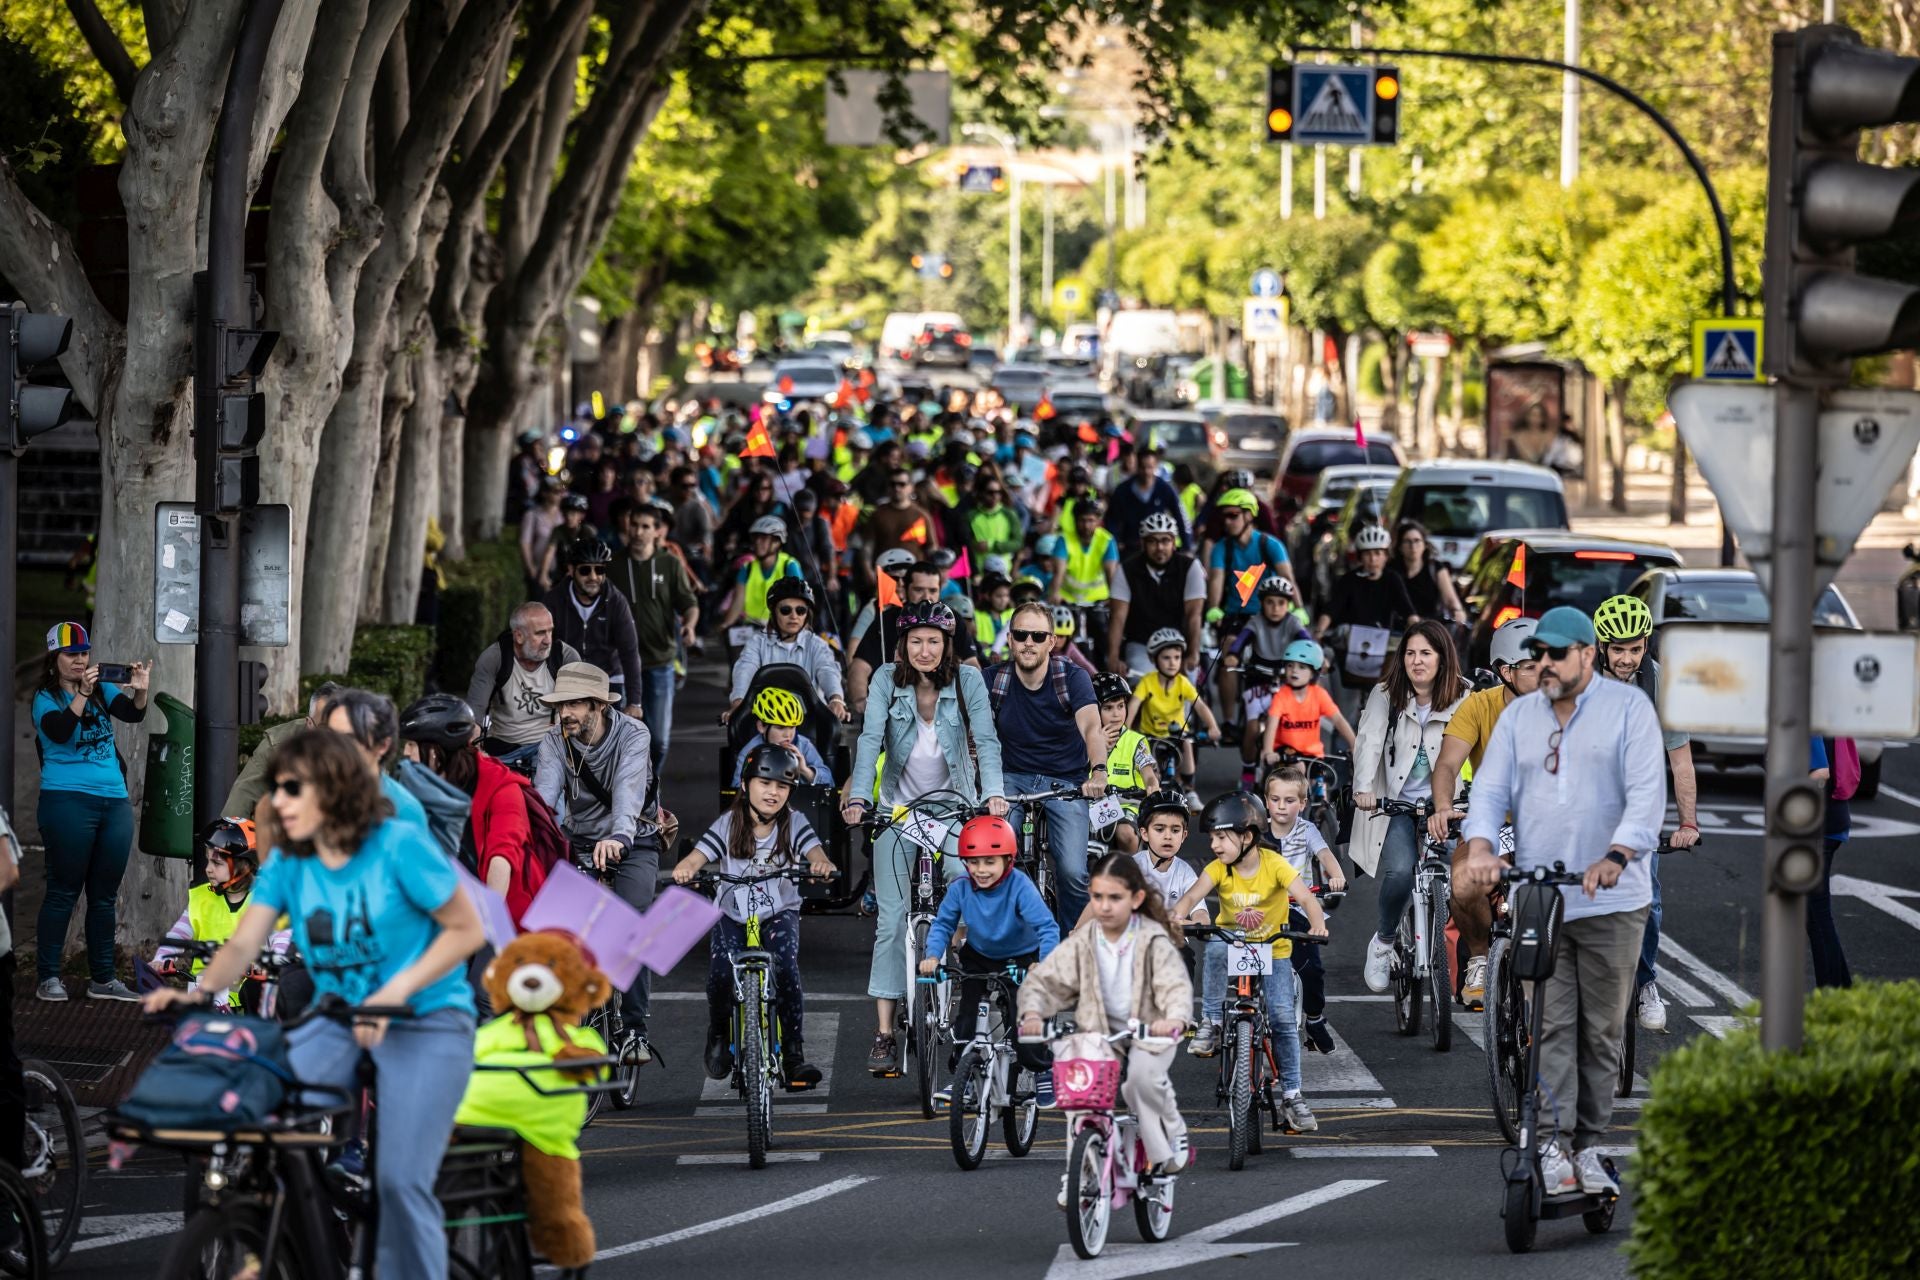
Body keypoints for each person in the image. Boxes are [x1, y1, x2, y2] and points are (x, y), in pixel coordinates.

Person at [145, 729, 484, 1280]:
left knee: (398, 1182)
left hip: (424, 1016)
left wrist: (393, 992)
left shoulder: (396, 845)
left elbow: (466, 929)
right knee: (265, 1107)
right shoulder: (286, 866)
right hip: (340, 1017)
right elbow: (242, 945)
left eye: (291, 791)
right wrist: (194, 991)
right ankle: (297, 1231)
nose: (276, 803)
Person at [1455, 606, 1665, 1198]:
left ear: (1587, 656)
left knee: (1600, 1035)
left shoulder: (1630, 712)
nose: (1544, 663)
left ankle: (1589, 1145)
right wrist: (1479, 847)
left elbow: (1648, 798)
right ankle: (1549, 1144)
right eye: (1538, 654)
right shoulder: (1521, 718)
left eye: (1557, 653)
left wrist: (1617, 856)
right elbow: (1490, 790)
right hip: (1540, 898)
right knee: (1548, 1026)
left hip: (1615, 901)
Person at [843, 600, 1008, 1076]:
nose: (924, 649)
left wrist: (992, 794)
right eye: (915, 641)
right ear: (902, 645)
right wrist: (859, 798)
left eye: (934, 641)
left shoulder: (969, 681)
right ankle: (885, 1033)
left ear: (948, 645)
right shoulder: (883, 681)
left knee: (964, 879)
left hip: (956, 806)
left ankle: (960, 979)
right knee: (892, 920)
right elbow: (870, 739)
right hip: (898, 809)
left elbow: (987, 740)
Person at [1020, 852, 1196, 1196]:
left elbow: (1174, 985)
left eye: (1114, 898)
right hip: (1101, 1031)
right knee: (1080, 1098)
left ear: (1136, 899)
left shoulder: (1152, 939)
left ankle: (1174, 1134)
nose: (1104, 906)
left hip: (1148, 1029)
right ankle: (1076, 1174)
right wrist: (1032, 1012)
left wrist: (1174, 1017)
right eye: (1097, 897)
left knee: (1142, 1082)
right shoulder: (1087, 938)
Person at [674, 744, 835, 1088]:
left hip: (778, 912)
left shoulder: (795, 823)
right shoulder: (729, 823)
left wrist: (821, 863)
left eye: (782, 786)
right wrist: (686, 868)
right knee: (720, 974)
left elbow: (815, 851)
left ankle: (793, 1053)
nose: (773, 792)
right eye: (764, 783)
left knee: (786, 966)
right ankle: (718, 1033)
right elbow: (699, 855)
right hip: (733, 912)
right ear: (745, 785)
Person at [1172, 792, 1327, 1133]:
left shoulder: (1275, 865)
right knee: (1212, 945)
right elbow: (1191, 897)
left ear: (1247, 836)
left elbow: (1304, 896)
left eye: (1221, 837)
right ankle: (1211, 1022)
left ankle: (1292, 1094)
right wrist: (1179, 915)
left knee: (1285, 1020)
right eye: (1212, 838)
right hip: (1234, 945)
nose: (1214, 845)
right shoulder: (1218, 869)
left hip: (1274, 950)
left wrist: (1317, 923)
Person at [533, 663, 660, 1064]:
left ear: (598, 706)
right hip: (580, 840)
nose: (565, 713)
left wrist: (620, 836)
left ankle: (635, 1030)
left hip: (633, 837)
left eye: (573, 704)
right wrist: (537, 844)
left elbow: (627, 790)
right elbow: (545, 802)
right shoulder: (554, 741)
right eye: (560, 705)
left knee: (632, 921)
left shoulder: (633, 734)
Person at [1591, 594, 1701, 1034]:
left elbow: (1681, 763)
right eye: (1618, 649)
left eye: (1635, 648)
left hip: (1638, 812)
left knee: (1648, 901)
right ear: (1602, 647)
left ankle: (1645, 983)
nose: (1626, 658)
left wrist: (1687, 823)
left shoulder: (1660, 686)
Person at [1427, 616, 1540, 1009]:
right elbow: (1445, 765)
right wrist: (1443, 806)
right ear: (1505, 672)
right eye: (1532, 666)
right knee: (1463, 884)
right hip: (1496, 824)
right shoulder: (1478, 706)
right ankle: (1478, 957)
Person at [32, 624, 149, 1002]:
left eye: (84, 653)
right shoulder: (43, 698)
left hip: (112, 800)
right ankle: (48, 976)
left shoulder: (101, 687)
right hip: (66, 800)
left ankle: (103, 979)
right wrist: (80, 695)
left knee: (104, 896)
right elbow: (62, 731)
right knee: (63, 891)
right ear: (54, 660)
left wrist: (142, 689)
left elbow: (132, 715)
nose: (80, 660)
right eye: (71, 654)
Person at [1352, 619, 1469, 994]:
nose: (1417, 661)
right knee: (1401, 872)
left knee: (1464, 881)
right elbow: (1368, 742)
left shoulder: (1465, 696)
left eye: (1426, 654)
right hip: (1399, 803)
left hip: (1448, 806)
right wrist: (1364, 788)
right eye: (1410, 653)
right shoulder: (1386, 694)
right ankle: (1384, 941)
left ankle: (1471, 959)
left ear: (1443, 658)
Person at [919, 814, 1060, 1106]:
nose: (981, 870)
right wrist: (932, 955)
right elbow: (943, 924)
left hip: (1021, 957)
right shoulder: (960, 888)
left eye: (990, 862)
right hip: (980, 956)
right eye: (974, 862)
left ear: (1008, 860)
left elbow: (1047, 928)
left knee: (1023, 1022)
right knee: (966, 1018)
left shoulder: (1019, 886)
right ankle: (965, 1075)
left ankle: (1043, 1070)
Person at [986, 601, 1108, 929]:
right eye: (1021, 634)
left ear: (1051, 642)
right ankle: (996, 936)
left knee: (1071, 870)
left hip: (1066, 782)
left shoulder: (1071, 678)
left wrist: (1098, 771)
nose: (1029, 642)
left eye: (1038, 635)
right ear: (1009, 639)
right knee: (994, 856)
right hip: (1009, 780)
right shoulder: (992, 681)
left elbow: (1091, 728)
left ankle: (1074, 947)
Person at [401, 695, 549, 924]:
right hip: (447, 906)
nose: (405, 753)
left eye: (411, 745)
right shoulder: (420, 784)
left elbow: (502, 856)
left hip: (505, 918)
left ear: (434, 750)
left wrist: (486, 924)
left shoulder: (502, 787)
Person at [151, 818, 291, 1013]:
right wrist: (162, 958)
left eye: (217, 862)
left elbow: (282, 936)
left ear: (243, 865)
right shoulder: (202, 899)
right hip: (204, 996)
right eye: (208, 860)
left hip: (247, 1001)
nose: (208, 868)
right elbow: (177, 935)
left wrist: (270, 962)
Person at [1262, 767, 1344, 1054]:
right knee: (1239, 961)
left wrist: (1335, 875)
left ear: (1303, 804)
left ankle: (1314, 1018)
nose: (1281, 807)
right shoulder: (1256, 830)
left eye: (1289, 800)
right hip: (1260, 909)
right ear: (1266, 801)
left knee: (1312, 970)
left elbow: (1325, 855)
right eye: (1275, 800)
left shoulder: (1307, 830)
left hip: (1298, 907)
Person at [613, 500, 699, 769]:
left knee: (659, 740)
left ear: (657, 531)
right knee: (621, 740)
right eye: (635, 525)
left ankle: (651, 788)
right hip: (621, 665)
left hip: (660, 661)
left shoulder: (669, 563)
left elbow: (689, 603)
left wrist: (690, 625)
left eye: (645, 527)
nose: (638, 532)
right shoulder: (612, 564)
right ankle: (632, 795)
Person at [1314, 524, 1418, 725]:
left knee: (1388, 710)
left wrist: (1419, 632)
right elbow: (1331, 610)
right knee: (1344, 713)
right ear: (1360, 557)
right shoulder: (1348, 580)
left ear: (1386, 556)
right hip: (1349, 651)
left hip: (1382, 654)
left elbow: (1408, 611)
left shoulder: (1392, 579)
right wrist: (1318, 633)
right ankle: (1342, 752)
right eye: (1368, 554)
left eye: (1378, 553)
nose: (1373, 559)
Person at [848, 559, 980, 712]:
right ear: (905, 588)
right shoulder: (887, 620)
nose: (927, 597)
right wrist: (861, 701)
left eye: (933, 590)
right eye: (919, 590)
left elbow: (972, 664)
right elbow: (859, 667)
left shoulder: (952, 619)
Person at [1205, 489, 1295, 714]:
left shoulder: (1270, 545)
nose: (1227, 521)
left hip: (1268, 615)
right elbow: (1216, 579)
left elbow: (1288, 579)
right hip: (1235, 615)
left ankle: (1285, 712)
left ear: (1249, 516)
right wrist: (1214, 608)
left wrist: (1299, 608)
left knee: (1285, 659)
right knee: (1228, 654)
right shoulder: (1221, 548)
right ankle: (1228, 720)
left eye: (1233, 515)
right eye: (1224, 516)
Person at [466, 605, 579, 772]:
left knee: (551, 794)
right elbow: (474, 715)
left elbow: (583, 709)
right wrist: (477, 752)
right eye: (540, 633)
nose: (548, 640)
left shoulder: (565, 657)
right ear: (518, 636)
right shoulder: (494, 658)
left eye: (550, 631)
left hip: (549, 744)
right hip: (503, 747)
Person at [543, 538, 645, 715]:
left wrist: (635, 702)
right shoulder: (553, 602)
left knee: (609, 738)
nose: (593, 577)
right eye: (585, 570)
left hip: (609, 680)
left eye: (599, 570)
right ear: (571, 570)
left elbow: (630, 652)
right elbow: (542, 648)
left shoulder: (616, 602)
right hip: (567, 683)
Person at [727, 578, 848, 720]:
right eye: (785, 610)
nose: (794, 616)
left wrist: (836, 700)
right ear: (773, 613)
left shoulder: (818, 644)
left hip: (811, 721)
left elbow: (827, 670)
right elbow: (744, 670)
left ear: (807, 614)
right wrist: (738, 703)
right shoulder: (756, 643)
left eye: (801, 610)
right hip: (766, 722)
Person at [1236, 580, 1321, 783]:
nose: (1275, 608)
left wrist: (1319, 658)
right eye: (1270, 602)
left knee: (1290, 722)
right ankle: (1248, 769)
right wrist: (1232, 654)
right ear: (1262, 603)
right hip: (1258, 681)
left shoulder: (1292, 622)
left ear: (1289, 604)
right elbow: (1241, 640)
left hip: (1284, 681)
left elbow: (1307, 642)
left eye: (1281, 603)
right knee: (1253, 726)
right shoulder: (1256, 621)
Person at [1125, 629, 1221, 806]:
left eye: (1177, 657)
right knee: (1150, 769)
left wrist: (1212, 727)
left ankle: (1190, 788)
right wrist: (1125, 730)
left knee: (1187, 743)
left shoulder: (1182, 682)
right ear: (1154, 660)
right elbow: (1134, 705)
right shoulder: (1148, 681)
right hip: (1150, 734)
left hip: (1176, 735)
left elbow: (1199, 705)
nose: (1172, 663)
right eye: (1166, 658)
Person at [1107, 511, 1206, 678]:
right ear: (1143, 544)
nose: (1159, 547)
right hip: (1141, 643)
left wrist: (1193, 653)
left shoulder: (1190, 567)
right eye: (1152, 541)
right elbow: (1118, 617)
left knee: (1187, 684)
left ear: (1174, 543)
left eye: (1165, 541)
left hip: (1179, 645)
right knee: (1141, 681)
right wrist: (1113, 657)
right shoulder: (1126, 570)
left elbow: (1194, 615)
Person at [226, 680, 346, 817]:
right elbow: (244, 794)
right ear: (309, 724)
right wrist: (228, 835)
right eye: (326, 729)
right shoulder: (278, 745)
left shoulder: (369, 745)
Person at [320, 688, 432, 833]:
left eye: (350, 739)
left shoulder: (405, 810)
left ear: (383, 745)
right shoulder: (308, 797)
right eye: (331, 736)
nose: (336, 746)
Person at [1261, 637, 1356, 774]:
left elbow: (1338, 720)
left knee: (1322, 781)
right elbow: (1272, 725)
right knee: (1299, 769)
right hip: (1285, 750)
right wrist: (1268, 751)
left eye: (1302, 667)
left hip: (1313, 753)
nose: (1294, 671)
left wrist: (1354, 744)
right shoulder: (1281, 696)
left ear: (1313, 672)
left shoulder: (1318, 694)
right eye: (1290, 665)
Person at [1807, 736, 1856, 988]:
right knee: (1814, 913)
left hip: (1818, 826)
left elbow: (1819, 773)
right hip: (1829, 821)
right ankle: (1842, 992)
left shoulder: (1807, 713)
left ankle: (1833, 996)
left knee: (1815, 914)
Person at [1093, 672, 1159, 853]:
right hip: (1092, 805)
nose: (1116, 714)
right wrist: (1098, 746)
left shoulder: (1135, 740)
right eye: (1108, 708)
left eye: (1121, 706)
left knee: (1126, 834)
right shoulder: (1084, 738)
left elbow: (1148, 773)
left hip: (1127, 805)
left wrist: (1152, 786)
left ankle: (1132, 876)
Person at [732, 687, 834, 788]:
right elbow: (737, 787)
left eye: (792, 727)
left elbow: (830, 782)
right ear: (761, 726)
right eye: (781, 728)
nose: (788, 735)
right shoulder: (749, 752)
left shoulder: (804, 746)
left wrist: (804, 770)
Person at [721, 515, 805, 631]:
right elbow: (738, 601)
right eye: (756, 538)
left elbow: (799, 601)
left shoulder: (789, 566)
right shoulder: (747, 568)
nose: (757, 542)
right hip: (751, 627)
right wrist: (726, 625)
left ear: (777, 542)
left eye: (764, 538)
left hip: (780, 627)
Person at [1103, 442, 1189, 554]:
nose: (1146, 472)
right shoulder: (1123, 490)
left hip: (1157, 548)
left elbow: (1179, 516)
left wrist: (1186, 546)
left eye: (1150, 467)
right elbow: (1111, 519)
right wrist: (1115, 542)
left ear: (1156, 466)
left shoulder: (1164, 489)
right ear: (1137, 466)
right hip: (1130, 547)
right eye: (1142, 467)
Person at [1388, 519, 1467, 625]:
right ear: (1400, 546)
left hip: (1429, 628)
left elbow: (1451, 600)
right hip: (1397, 630)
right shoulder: (1391, 570)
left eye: (1417, 541)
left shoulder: (1435, 568)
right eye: (1407, 541)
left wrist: (1458, 611)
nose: (1413, 546)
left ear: (1425, 545)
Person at [866, 467, 941, 558]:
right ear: (888, 487)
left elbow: (932, 546)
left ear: (911, 487)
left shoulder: (922, 515)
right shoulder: (878, 514)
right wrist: (868, 571)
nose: (897, 488)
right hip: (884, 569)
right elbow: (868, 546)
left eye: (902, 484)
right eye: (892, 484)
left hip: (913, 570)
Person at [537, 494, 595, 588]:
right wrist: (544, 574)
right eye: (566, 513)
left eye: (573, 513)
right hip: (562, 575)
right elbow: (549, 552)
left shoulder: (588, 531)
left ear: (581, 515)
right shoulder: (558, 531)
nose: (568, 517)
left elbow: (595, 557)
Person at [519, 480, 565, 595]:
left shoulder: (564, 517)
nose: (559, 495)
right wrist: (530, 568)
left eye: (561, 492)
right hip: (537, 570)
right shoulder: (532, 515)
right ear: (545, 493)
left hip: (559, 572)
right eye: (555, 491)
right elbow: (525, 543)